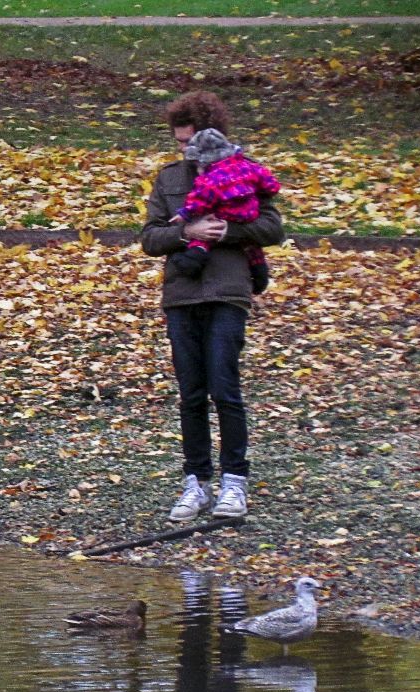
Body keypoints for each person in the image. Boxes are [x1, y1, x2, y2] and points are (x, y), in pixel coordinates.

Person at [140, 91, 284, 522]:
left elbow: (272, 226)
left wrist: (227, 231)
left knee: (225, 388)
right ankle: (196, 483)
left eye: (191, 141)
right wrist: (188, 230)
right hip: (182, 294)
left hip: (227, 291)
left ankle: (234, 482)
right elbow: (149, 237)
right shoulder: (168, 180)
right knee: (191, 395)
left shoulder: (244, 171)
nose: (185, 150)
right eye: (179, 142)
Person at [169, 127, 281, 295]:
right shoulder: (248, 166)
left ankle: (193, 260)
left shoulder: (210, 179)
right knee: (252, 247)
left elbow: (200, 201)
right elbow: (269, 183)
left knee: (204, 237)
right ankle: (260, 273)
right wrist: (267, 190)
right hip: (249, 213)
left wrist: (185, 213)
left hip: (225, 214)